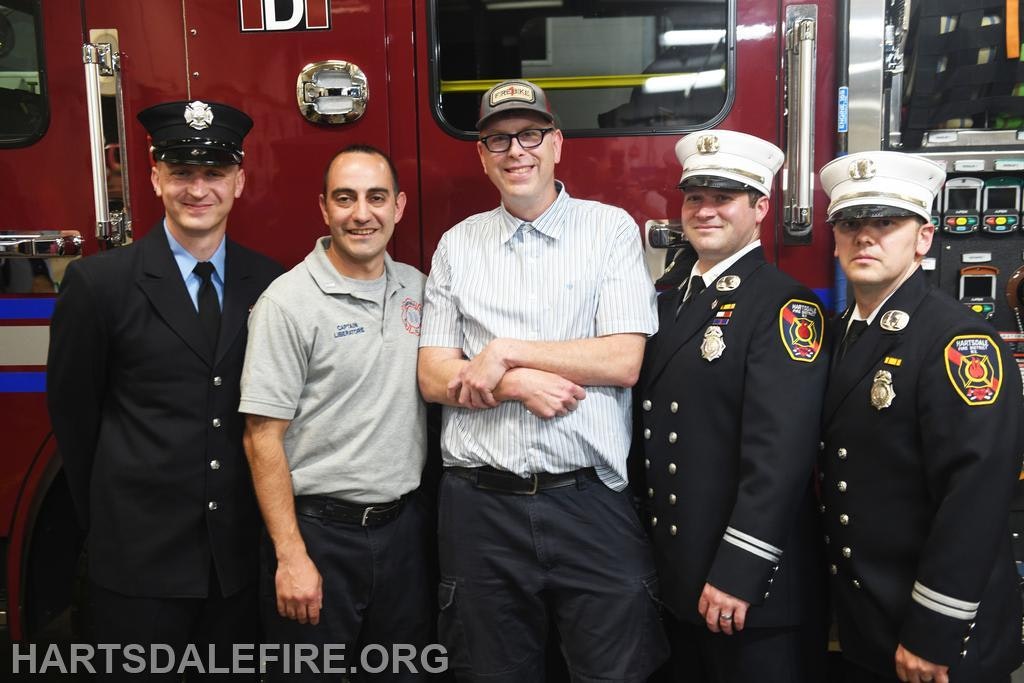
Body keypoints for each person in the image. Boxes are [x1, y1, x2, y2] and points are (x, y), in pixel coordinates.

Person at [417, 79, 668, 682]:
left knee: (615, 673)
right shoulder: (457, 246)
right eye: (498, 140)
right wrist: (515, 385)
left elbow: (622, 360)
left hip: (588, 502)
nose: (515, 151)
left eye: (530, 134)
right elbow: (432, 375)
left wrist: (505, 353)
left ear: (556, 143)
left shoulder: (609, 231)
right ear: (481, 155)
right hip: (481, 510)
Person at [46, 100, 282, 679]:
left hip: (235, 564)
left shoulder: (273, 283)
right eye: (181, 173)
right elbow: (75, 423)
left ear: (239, 180)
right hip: (137, 566)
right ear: (155, 178)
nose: (197, 189)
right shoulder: (99, 285)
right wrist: (115, 527)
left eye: (214, 173)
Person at [819, 151, 1024, 683]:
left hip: (939, 639)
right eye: (849, 223)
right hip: (873, 618)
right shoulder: (842, 333)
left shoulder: (959, 344)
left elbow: (975, 496)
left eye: (886, 222)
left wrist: (934, 629)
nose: (865, 237)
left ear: (924, 238)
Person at [637, 130, 829, 682]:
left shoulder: (786, 307)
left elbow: (780, 456)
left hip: (749, 590)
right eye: (695, 197)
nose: (705, 211)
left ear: (761, 208)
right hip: (683, 575)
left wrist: (741, 570)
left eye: (723, 198)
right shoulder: (671, 300)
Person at [239, 145, 434, 681]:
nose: (361, 214)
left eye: (375, 198)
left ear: (399, 206)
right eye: (344, 199)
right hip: (320, 538)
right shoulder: (289, 303)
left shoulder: (419, 289)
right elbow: (261, 437)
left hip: (402, 538)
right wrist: (291, 555)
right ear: (323, 209)